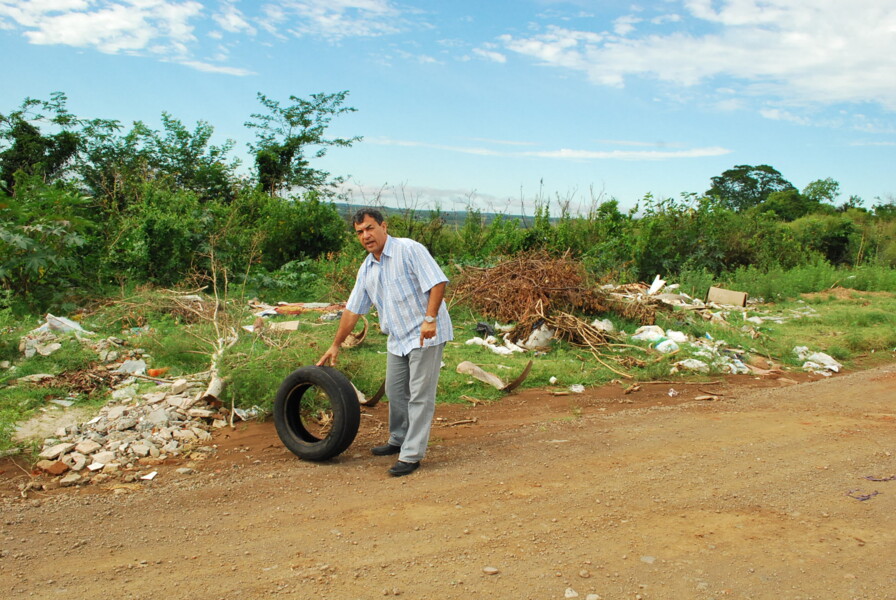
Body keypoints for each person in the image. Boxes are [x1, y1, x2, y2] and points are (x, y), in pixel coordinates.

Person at [317, 208, 453, 477]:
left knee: (419, 396)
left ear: (383, 226)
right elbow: (352, 310)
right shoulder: (367, 268)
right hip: (398, 337)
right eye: (359, 232)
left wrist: (430, 318)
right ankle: (399, 439)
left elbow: (438, 283)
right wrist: (335, 344)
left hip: (426, 333)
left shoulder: (409, 250)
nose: (366, 236)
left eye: (369, 228)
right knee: (394, 390)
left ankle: (411, 454)